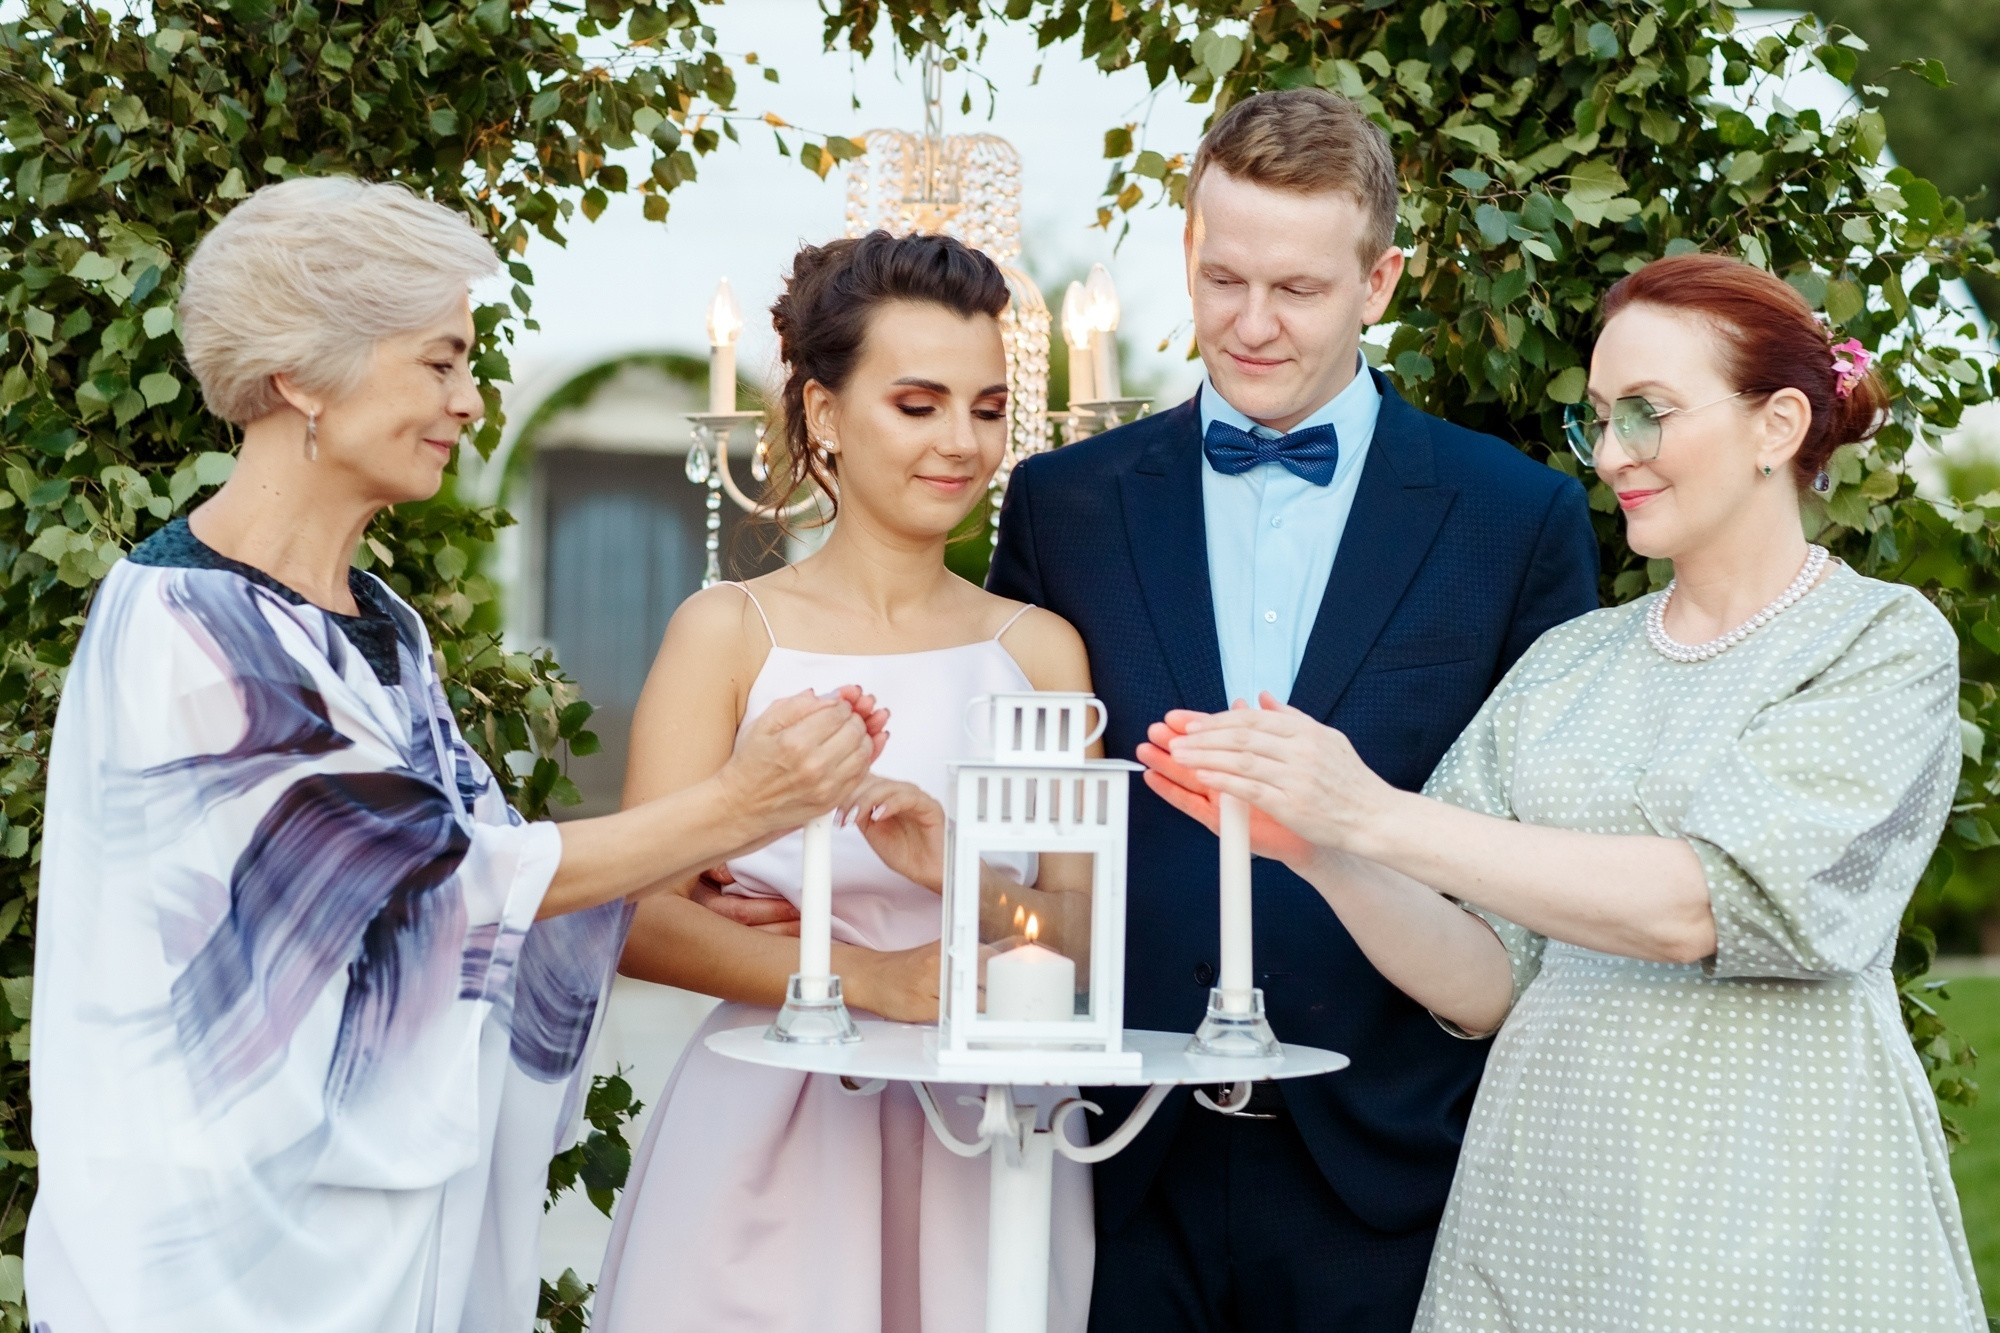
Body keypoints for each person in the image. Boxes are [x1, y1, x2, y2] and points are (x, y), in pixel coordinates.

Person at [25, 177, 888, 1333]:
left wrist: (666, 888)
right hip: (216, 1254)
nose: (469, 401)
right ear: (301, 373)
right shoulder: (187, 624)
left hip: (380, 1241)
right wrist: (741, 802)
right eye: (439, 363)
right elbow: (442, 877)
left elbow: (494, 861)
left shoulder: (380, 619)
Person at [1144, 253, 1987, 1329]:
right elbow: (1487, 978)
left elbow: (1703, 904)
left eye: (1647, 413)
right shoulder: (1567, 662)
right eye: (1598, 418)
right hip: (1547, 1208)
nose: (1613, 453)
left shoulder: (1877, 642)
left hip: (1771, 1201)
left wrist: (1371, 811)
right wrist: (1320, 850)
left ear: (1776, 425)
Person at [986, 88, 1600, 1331]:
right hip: (1117, 1160)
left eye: (1298, 290)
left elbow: (1545, 858)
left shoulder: (1514, 518)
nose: (1250, 324)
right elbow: (1022, 801)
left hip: (1394, 1168)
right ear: (1186, 252)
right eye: (1222, 279)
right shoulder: (1061, 506)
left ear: (1378, 282)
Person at [592, 230, 1099, 1333]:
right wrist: (868, 977)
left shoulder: (1041, 652)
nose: (960, 442)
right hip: (772, 1125)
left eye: (986, 408)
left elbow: (1078, 946)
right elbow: (639, 919)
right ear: (822, 413)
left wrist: (962, 873)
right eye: (917, 404)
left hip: (990, 1140)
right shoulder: (728, 633)